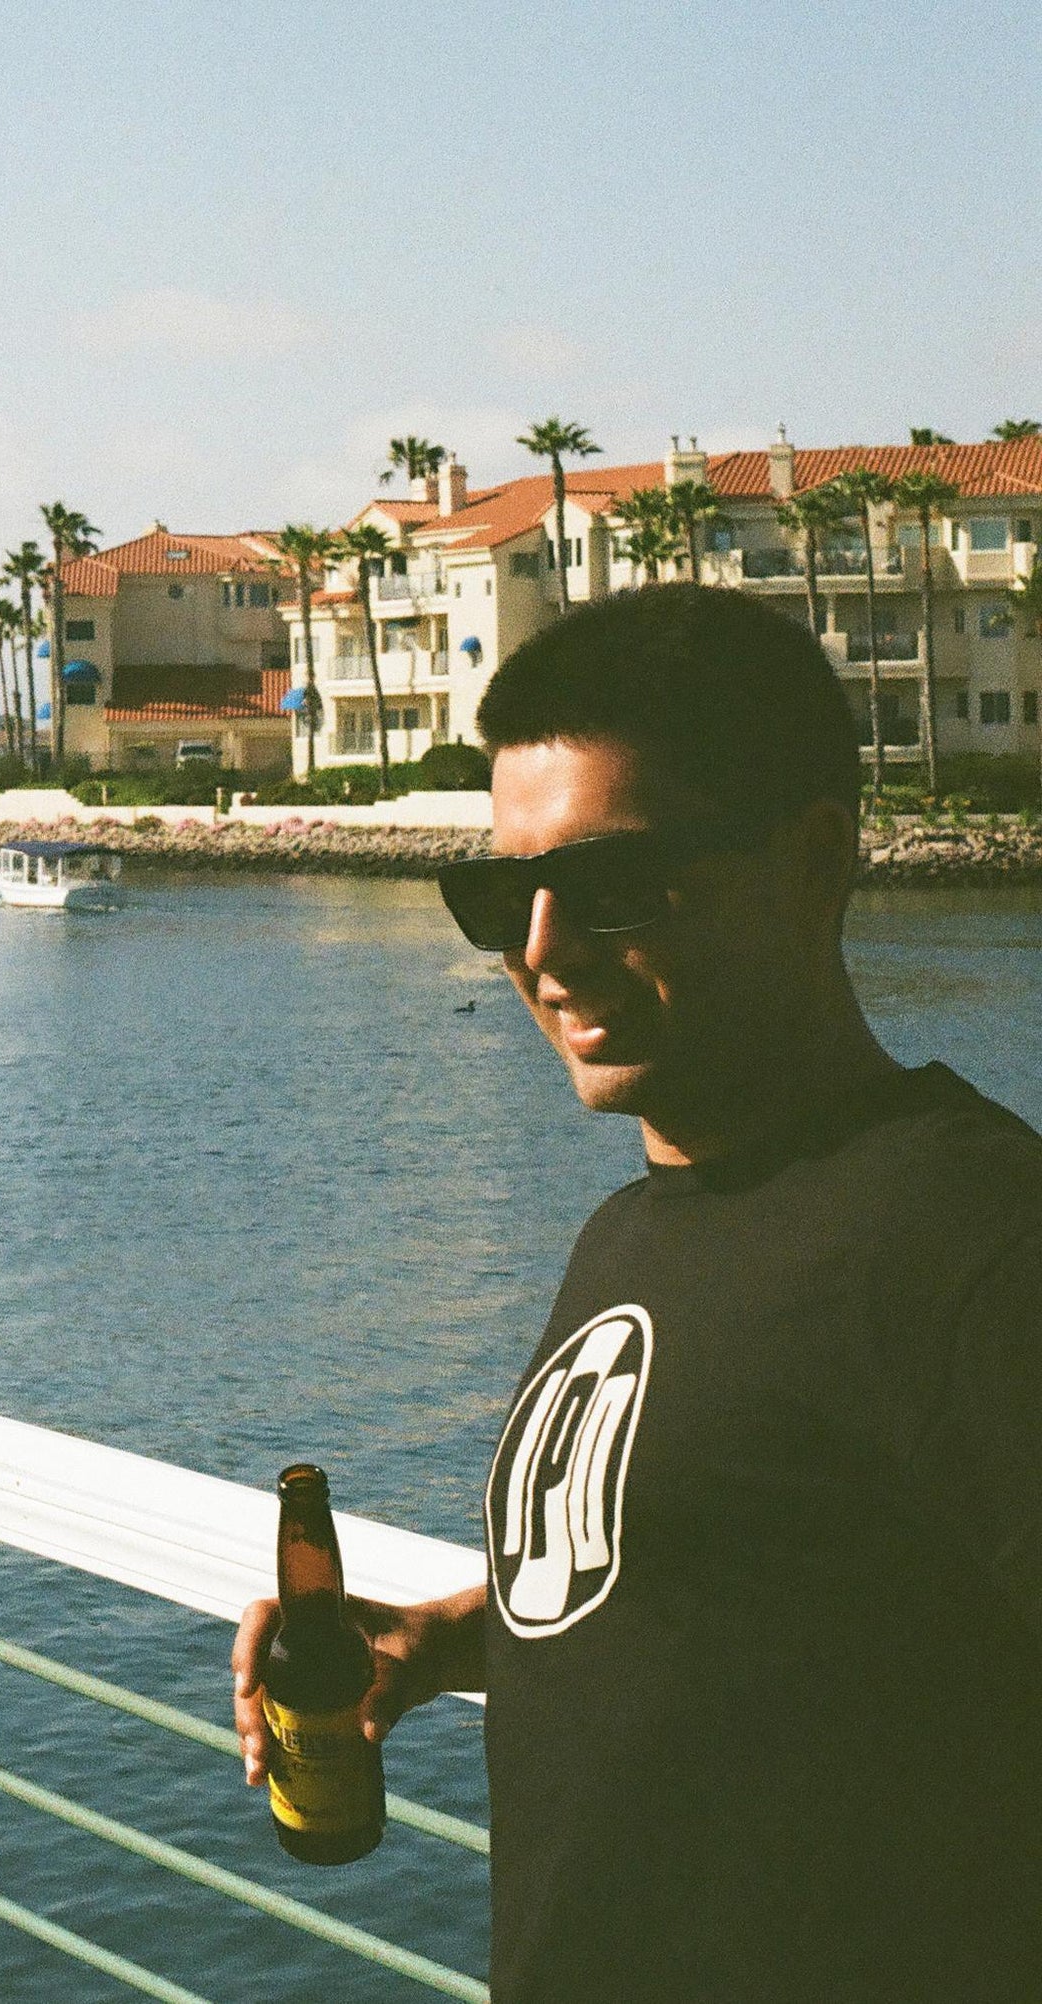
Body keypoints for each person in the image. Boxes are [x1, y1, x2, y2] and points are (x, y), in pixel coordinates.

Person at [232, 586, 1042, 2003]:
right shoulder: (634, 1230)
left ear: (814, 865)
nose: (539, 951)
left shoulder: (971, 1242)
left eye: (615, 887)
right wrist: (439, 1641)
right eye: (496, 896)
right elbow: (730, 1572)